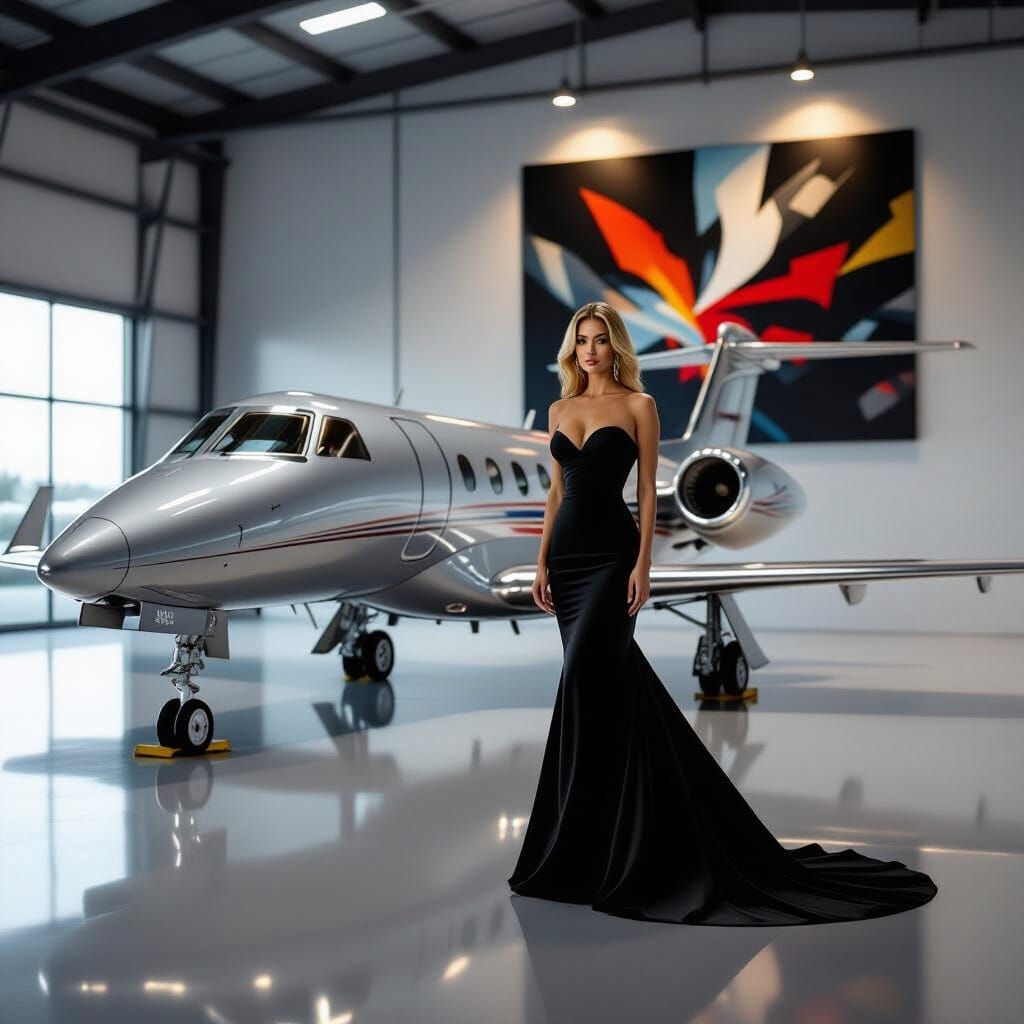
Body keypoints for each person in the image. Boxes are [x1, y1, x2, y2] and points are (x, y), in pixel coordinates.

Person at [506, 301, 938, 925]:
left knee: (585, 679)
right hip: (568, 558)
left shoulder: (639, 406)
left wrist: (643, 565)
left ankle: (612, 842)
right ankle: (592, 843)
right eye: (582, 340)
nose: (590, 350)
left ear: (615, 345)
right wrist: (542, 562)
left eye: (599, 340)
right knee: (604, 687)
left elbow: (647, 489)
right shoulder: (559, 409)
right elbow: (555, 492)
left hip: (611, 554)